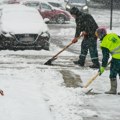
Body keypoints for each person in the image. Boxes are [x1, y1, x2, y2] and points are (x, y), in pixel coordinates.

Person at [96, 27, 120, 94]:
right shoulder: (112, 34)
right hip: (117, 57)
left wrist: (103, 67)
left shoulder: (104, 44)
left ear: (100, 35)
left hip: (117, 59)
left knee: (113, 74)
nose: (97, 37)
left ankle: (113, 90)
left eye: (97, 35)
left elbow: (106, 57)